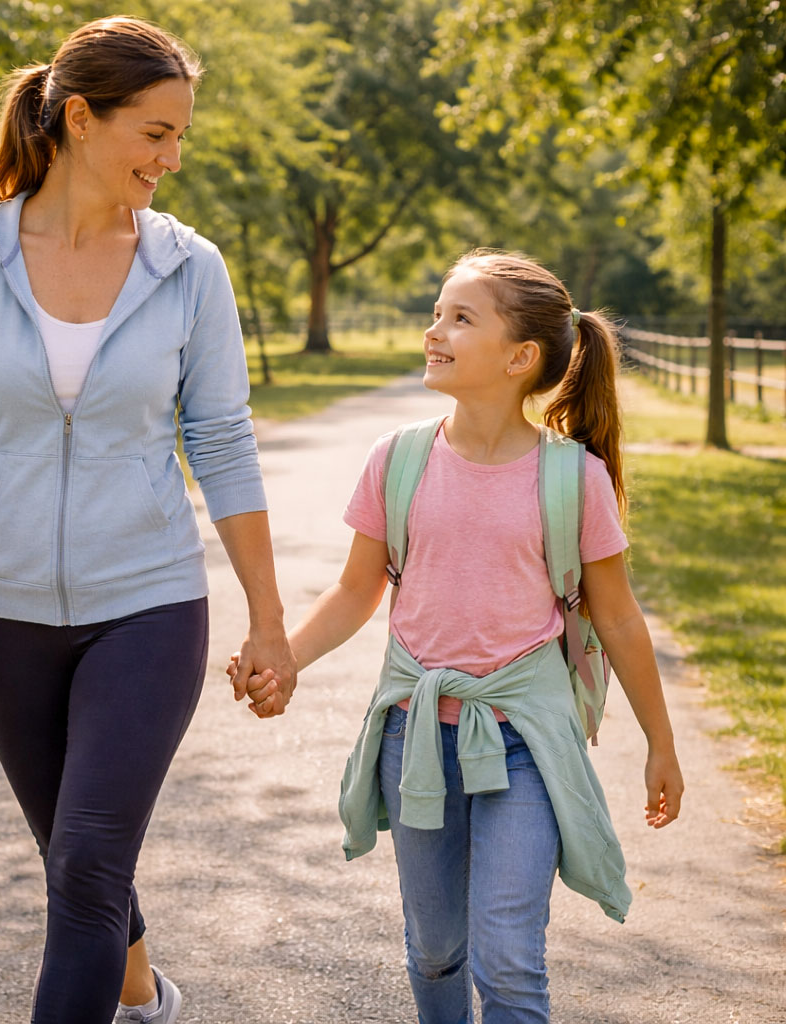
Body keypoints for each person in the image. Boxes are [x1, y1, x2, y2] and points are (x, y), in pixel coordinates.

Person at [0, 16, 295, 1024]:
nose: (170, 158)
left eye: (180, 135)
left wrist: (267, 618)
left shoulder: (190, 270)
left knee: (90, 863)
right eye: (153, 133)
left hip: (146, 604)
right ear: (80, 119)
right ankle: (142, 991)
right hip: (0, 613)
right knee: (73, 855)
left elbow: (222, 443)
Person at [233, 250, 684, 1023]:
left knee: (507, 956)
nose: (434, 330)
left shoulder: (573, 479)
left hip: (527, 743)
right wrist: (285, 659)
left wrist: (660, 742)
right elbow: (355, 591)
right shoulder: (398, 459)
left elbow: (616, 619)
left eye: (460, 318)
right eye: (438, 313)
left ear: (521, 358)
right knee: (437, 948)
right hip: (417, 741)